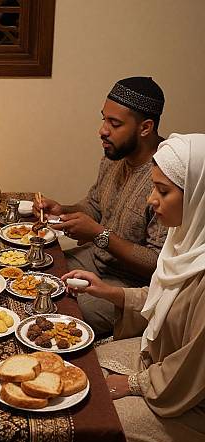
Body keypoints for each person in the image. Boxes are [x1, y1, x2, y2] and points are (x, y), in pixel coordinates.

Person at [63, 133, 205, 442]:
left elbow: (191, 370)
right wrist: (106, 292)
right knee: (79, 367)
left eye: (164, 191)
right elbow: (165, 299)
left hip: (190, 402)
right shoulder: (186, 238)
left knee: (88, 428)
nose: (152, 200)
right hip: (163, 362)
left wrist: (130, 385)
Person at [36, 77, 168, 336]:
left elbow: (157, 262)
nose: (102, 131)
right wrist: (62, 209)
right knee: (39, 272)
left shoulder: (166, 178)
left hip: (130, 285)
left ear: (145, 127)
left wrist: (99, 235)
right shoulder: (114, 156)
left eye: (114, 123)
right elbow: (95, 205)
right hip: (94, 259)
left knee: (58, 313)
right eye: (104, 119)